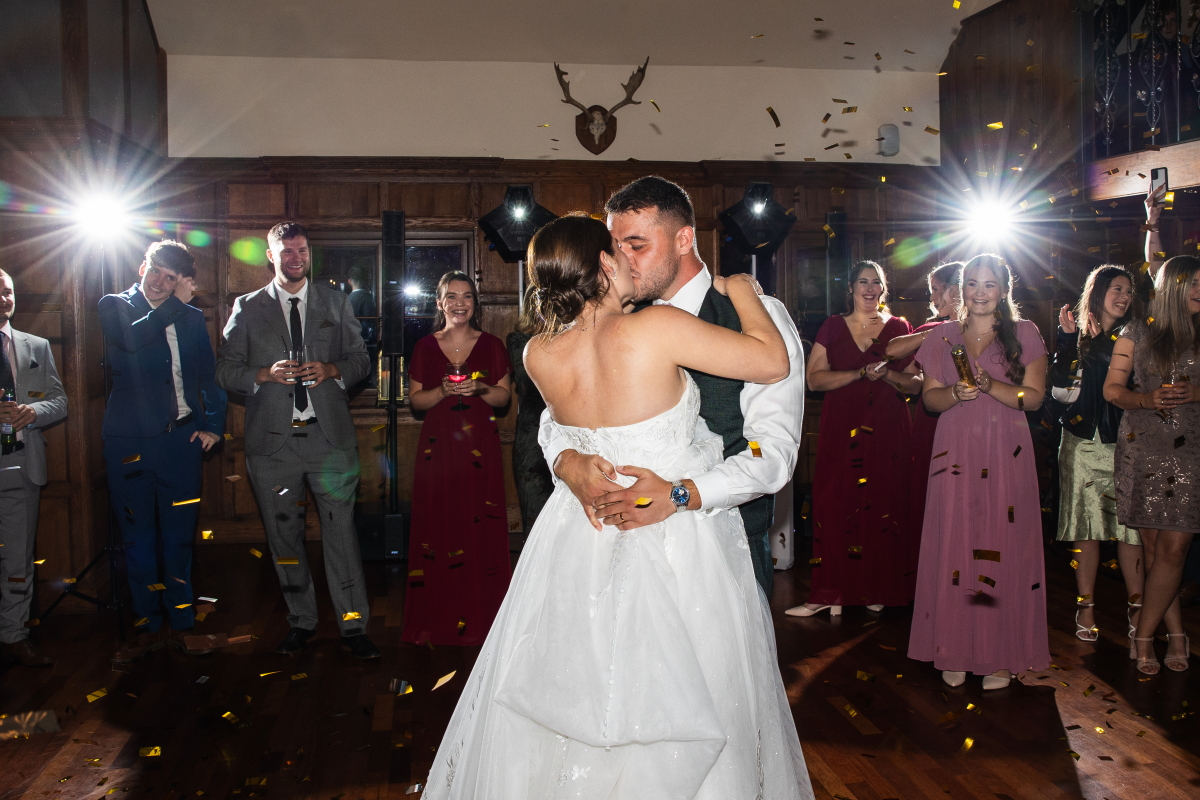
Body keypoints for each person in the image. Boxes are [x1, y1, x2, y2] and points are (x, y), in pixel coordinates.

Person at [423, 213, 812, 799]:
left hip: (581, 535)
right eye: (620, 250)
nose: (631, 260)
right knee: (691, 690)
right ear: (604, 263)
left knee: (580, 686)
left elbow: (553, 428)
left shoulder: (538, 353)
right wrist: (743, 291)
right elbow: (772, 361)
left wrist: (566, 460)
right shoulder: (657, 326)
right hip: (676, 540)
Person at [541, 176, 805, 600]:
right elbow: (554, 411)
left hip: (724, 548)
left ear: (684, 239)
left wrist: (682, 495)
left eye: (637, 245)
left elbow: (769, 451)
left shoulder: (757, 318)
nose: (621, 260)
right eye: (615, 247)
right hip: (614, 548)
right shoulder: (614, 315)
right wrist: (565, 458)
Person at [216, 222, 378, 660]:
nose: (295, 258)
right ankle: (301, 622)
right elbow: (225, 370)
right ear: (271, 255)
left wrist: (333, 369)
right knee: (284, 538)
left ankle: (353, 627)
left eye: (302, 250)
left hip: (330, 441)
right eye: (286, 251)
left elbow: (361, 359)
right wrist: (263, 374)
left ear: (310, 254)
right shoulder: (247, 307)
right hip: (272, 446)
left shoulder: (335, 301)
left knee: (341, 535)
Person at [907, 254, 1049, 690]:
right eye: (972, 284)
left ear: (1004, 290)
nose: (980, 292)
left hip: (1007, 450)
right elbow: (929, 400)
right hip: (955, 449)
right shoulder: (943, 336)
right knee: (955, 541)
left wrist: (993, 387)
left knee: (1001, 543)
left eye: (989, 284)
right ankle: (953, 647)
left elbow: (1034, 398)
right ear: (961, 289)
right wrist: (954, 392)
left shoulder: (1025, 333)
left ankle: (999, 655)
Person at [99, 241, 226, 662]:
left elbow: (208, 377)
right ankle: (147, 627)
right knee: (138, 540)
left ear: (180, 281)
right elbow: (131, 341)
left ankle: (184, 625)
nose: (159, 282)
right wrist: (174, 304)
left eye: (170, 278)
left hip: (181, 443)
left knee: (178, 538)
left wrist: (213, 426)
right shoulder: (114, 306)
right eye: (155, 271)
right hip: (129, 446)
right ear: (142, 267)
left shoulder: (190, 317)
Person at [787, 261, 920, 617]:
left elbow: (916, 384)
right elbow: (814, 380)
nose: (870, 288)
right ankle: (827, 593)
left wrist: (887, 375)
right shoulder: (832, 326)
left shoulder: (899, 328)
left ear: (883, 289)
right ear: (850, 288)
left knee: (883, 503)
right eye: (863, 281)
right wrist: (859, 373)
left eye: (876, 282)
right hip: (841, 427)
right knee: (833, 502)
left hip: (888, 430)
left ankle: (876, 588)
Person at [401, 271, 512, 646]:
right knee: (439, 522)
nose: (459, 303)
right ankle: (440, 615)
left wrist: (480, 387)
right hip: (439, 446)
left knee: (480, 521)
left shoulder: (492, 345)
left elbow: (503, 398)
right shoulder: (424, 347)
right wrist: (441, 391)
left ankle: (485, 616)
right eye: (452, 296)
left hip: (480, 441)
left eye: (466, 296)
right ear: (440, 303)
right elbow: (416, 400)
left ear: (475, 304)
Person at [1104, 255, 1200, 674]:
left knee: (1175, 549)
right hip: (1142, 448)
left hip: (1192, 451)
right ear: (1171, 287)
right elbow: (1112, 389)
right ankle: (1176, 633)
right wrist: (1145, 399)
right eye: (1193, 283)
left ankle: (1142, 635)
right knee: (1156, 550)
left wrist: (1196, 392)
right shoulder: (1136, 332)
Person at [1049, 265, 1142, 643]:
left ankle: (1138, 609)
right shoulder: (1076, 336)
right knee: (1084, 530)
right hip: (1082, 443)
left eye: (1129, 291)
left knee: (1130, 532)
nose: (1124, 296)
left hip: (1126, 443)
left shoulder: (1136, 335)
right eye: (1117, 288)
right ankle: (1085, 606)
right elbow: (1060, 393)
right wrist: (1067, 341)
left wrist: (1098, 341)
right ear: (1099, 291)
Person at [0, 269, 67, 667]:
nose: (3, 299)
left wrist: (34, 411)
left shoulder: (36, 346)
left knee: (17, 560)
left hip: (22, 464)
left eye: (7, 292)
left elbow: (59, 401)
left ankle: (14, 636)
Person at [893, 262, 964, 558]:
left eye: (936, 290)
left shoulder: (986, 328)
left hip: (970, 421)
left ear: (955, 290)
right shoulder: (934, 329)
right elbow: (894, 352)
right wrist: (937, 333)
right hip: (932, 420)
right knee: (931, 491)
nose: (932, 299)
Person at [506, 296, 554, 539]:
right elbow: (530, 380)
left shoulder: (577, 336)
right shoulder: (519, 340)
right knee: (537, 525)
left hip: (572, 436)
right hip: (532, 442)